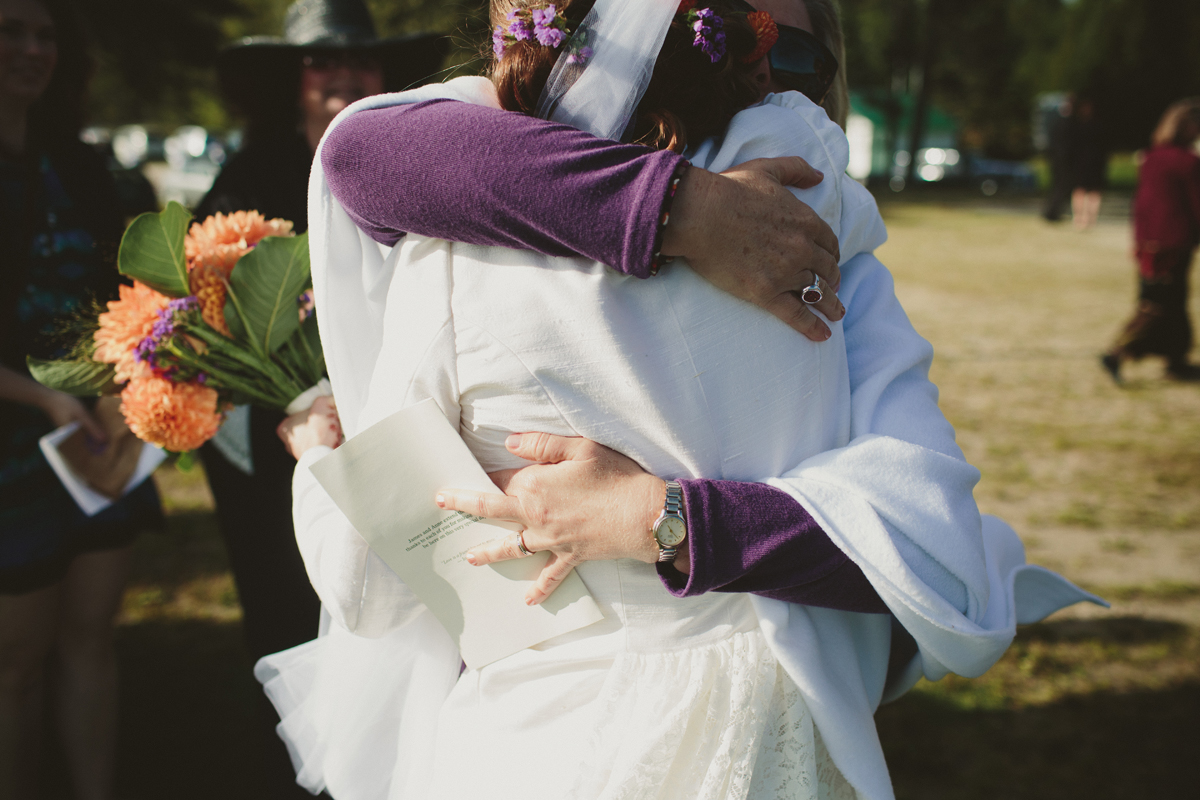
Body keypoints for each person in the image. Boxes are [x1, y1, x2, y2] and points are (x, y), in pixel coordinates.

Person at [265, 1, 1099, 798]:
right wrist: (684, 209)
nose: (767, 78)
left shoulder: (449, 257)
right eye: (739, 35)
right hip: (758, 726)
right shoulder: (820, 233)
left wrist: (664, 520)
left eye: (793, 54)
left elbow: (366, 583)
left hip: (537, 738)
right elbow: (367, 153)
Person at [193, 1, 446, 795]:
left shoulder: (405, 165)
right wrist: (282, 411)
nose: (341, 75)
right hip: (272, 456)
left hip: (384, 427)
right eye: (319, 62)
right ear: (291, 82)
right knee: (282, 594)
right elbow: (203, 330)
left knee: (394, 606)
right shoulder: (246, 183)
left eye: (360, 62)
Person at [0, 1, 163, 798]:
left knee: (90, 640)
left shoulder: (83, 163)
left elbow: (131, 298)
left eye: (45, 33)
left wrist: (127, 388)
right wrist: (39, 400)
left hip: (99, 435)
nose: (33, 49)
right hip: (10, 452)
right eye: (11, 31)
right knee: (17, 663)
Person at [1101, 98, 1200, 383]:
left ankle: (1176, 360)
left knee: (1170, 303)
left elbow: (1142, 204)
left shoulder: (1151, 157)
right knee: (1158, 305)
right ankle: (1117, 352)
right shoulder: (1187, 162)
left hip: (1149, 243)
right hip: (1173, 242)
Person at [1068, 96, 1107, 231]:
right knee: (1080, 190)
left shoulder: (1095, 126)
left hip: (1093, 163)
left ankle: (1090, 219)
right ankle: (1079, 218)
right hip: (1081, 163)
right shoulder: (1079, 126)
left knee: (1093, 191)